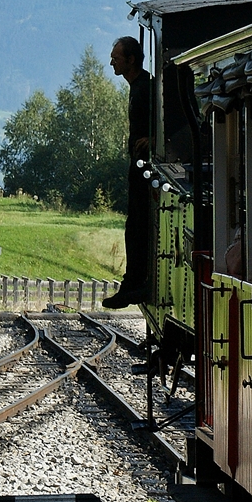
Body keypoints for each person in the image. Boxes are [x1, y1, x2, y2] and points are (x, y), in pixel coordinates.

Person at [102, 36, 151, 309]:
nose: (112, 62)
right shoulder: (139, 86)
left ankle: (134, 282)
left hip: (144, 167)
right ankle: (132, 281)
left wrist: (154, 142)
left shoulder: (145, 88)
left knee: (137, 226)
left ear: (131, 60)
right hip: (139, 163)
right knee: (134, 224)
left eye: (116, 58)